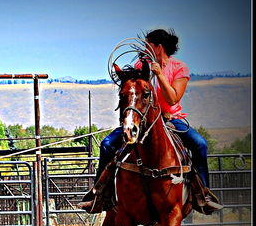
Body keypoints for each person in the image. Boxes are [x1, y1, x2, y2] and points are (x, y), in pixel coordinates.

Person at [79, 28, 222, 215]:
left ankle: (203, 194)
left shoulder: (180, 68)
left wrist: (160, 74)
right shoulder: (141, 65)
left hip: (172, 119)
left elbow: (173, 99)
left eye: (148, 45)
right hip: (142, 120)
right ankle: (98, 194)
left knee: (200, 144)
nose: (145, 49)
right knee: (107, 144)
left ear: (158, 47)